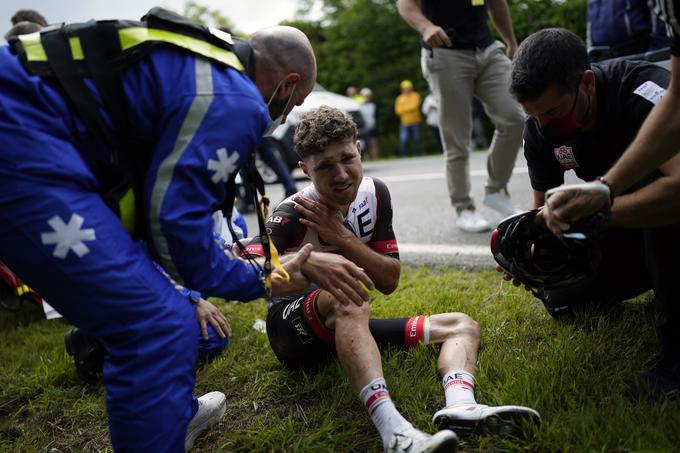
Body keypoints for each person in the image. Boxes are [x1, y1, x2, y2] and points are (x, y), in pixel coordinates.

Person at [0, 9, 374, 451]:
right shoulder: (237, 99)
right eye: (294, 103)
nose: (285, 112)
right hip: (20, 142)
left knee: (165, 314)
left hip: (29, 133)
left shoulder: (204, 62)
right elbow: (174, 231)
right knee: (155, 324)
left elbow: (148, 211)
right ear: (287, 84)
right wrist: (267, 279)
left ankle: (170, 416)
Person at [242, 106, 540, 452]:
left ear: (359, 149)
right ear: (305, 170)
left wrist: (343, 239)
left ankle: (460, 407)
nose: (340, 175)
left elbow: (389, 279)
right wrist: (306, 263)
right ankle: (393, 431)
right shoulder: (296, 211)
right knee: (348, 295)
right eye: (324, 166)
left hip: (349, 328)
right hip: (292, 333)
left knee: (461, 326)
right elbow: (246, 262)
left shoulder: (375, 194)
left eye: (347, 158)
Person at [508, 27, 680, 399]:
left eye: (553, 111)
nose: (544, 126)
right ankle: (655, 280)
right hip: (625, 227)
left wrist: (598, 214)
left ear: (586, 83)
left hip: (666, 217)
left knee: (657, 187)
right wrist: (527, 254)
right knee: (559, 297)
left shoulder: (641, 90)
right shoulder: (539, 128)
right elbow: (543, 215)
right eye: (533, 114)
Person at [398, 0, 525, 233]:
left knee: (514, 119)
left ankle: (496, 190)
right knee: (457, 137)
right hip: (446, 53)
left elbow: (497, 4)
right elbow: (405, 4)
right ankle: (464, 207)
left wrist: (511, 43)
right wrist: (426, 27)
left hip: (487, 49)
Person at [394, 79, 422, 157]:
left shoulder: (415, 95)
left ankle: (417, 154)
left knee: (417, 139)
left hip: (416, 121)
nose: (407, 89)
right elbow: (398, 111)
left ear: (411, 88)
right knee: (404, 140)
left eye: (408, 87)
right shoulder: (399, 99)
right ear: (402, 89)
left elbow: (415, 106)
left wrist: (404, 108)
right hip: (405, 122)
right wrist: (409, 108)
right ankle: (404, 155)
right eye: (405, 88)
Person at [360, 87, 380, 160]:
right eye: (365, 96)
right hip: (364, 128)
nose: (366, 97)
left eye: (368, 96)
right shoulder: (360, 106)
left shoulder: (374, 105)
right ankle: (366, 158)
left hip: (373, 127)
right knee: (364, 144)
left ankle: (375, 158)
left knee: (374, 143)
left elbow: (376, 116)